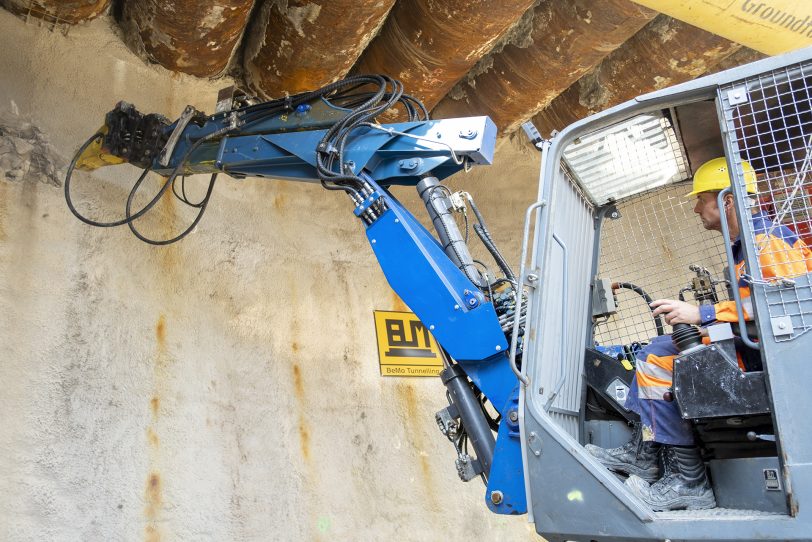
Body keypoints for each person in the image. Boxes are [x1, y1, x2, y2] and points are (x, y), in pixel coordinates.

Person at [586, 156, 812, 511]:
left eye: (700, 198)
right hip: (758, 347)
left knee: (657, 359)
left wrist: (702, 314)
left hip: (774, 360)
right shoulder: (749, 246)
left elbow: (782, 307)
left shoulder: (767, 244)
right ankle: (647, 450)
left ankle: (688, 481)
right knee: (658, 346)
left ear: (727, 199)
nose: (695, 209)